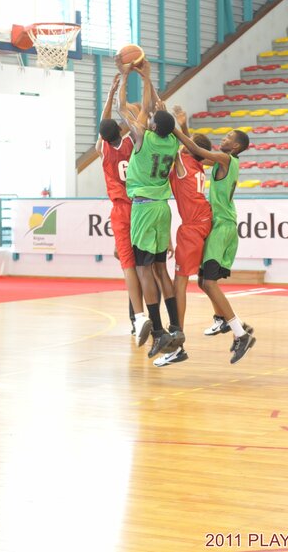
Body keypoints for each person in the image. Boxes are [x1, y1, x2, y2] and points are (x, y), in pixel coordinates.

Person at [173, 125, 256, 364]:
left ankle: (240, 334)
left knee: (208, 283)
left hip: (222, 227)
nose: (224, 138)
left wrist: (174, 130)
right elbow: (196, 154)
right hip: (220, 225)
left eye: (229, 137)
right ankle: (227, 321)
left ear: (236, 146)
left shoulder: (226, 158)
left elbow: (197, 150)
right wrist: (185, 127)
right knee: (203, 281)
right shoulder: (224, 161)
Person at [116, 60, 182, 360]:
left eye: (152, 119)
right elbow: (155, 108)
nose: (149, 117)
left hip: (143, 209)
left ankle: (158, 331)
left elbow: (126, 109)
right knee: (160, 269)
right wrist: (147, 79)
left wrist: (129, 77)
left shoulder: (144, 138)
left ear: (154, 127)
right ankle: (175, 326)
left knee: (144, 271)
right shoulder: (172, 143)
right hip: (163, 209)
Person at [154, 107, 215, 367]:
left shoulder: (183, 160)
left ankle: (177, 343)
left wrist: (165, 117)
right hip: (203, 221)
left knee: (180, 284)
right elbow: (192, 146)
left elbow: (180, 142)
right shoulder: (197, 163)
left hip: (192, 227)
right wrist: (184, 124)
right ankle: (226, 321)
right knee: (198, 281)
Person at [96, 76, 144, 340]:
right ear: (119, 129)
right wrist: (120, 94)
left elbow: (103, 126)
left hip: (120, 210)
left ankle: (137, 318)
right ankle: (146, 317)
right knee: (144, 266)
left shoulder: (103, 150)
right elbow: (131, 123)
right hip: (139, 206)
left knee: (129, 266)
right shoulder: (132, 143)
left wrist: (110, 94)